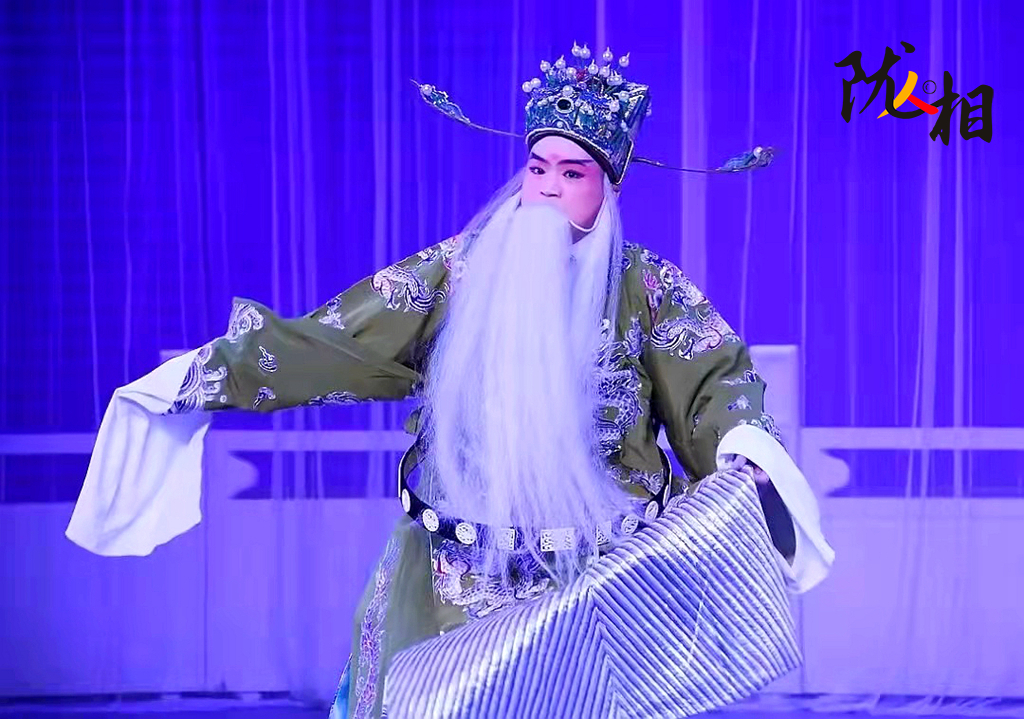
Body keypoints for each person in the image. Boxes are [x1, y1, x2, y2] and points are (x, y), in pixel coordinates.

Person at [67, 43, 834, 719]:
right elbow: (338, 342)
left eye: (573, 173)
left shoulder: (649, 288)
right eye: (538, 168)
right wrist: (210, 372)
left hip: (596, 587)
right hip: (451, 579)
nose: (548, 188)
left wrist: (744, 449)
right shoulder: (457, 272)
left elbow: (715, 387)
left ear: (609, 187)